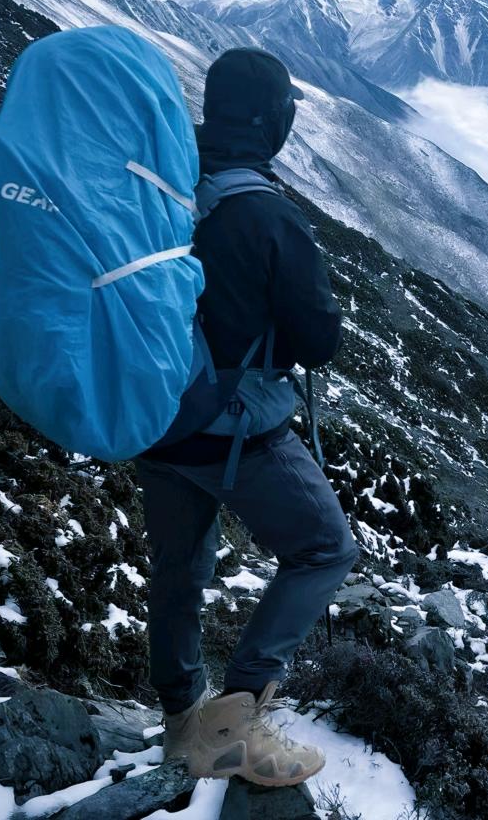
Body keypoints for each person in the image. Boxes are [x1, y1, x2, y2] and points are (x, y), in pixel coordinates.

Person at [135, 48, 358, 786]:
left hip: (156, 409)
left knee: (180, 566)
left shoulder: (160, 178)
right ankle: (235, 724)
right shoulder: (266, 214)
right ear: (274, 121)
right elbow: (318, 339)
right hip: (235, 427)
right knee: (325, 548)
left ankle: (180, 719)